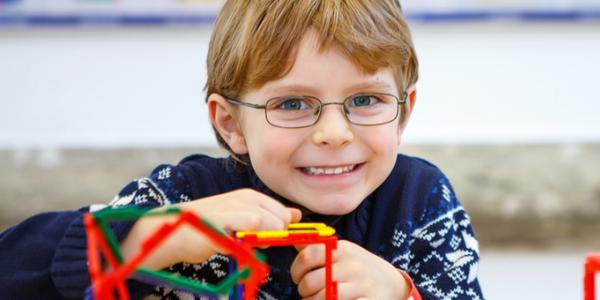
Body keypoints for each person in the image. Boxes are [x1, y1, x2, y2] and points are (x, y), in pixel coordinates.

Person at [0, 1, 484, 299]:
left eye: (365, 100)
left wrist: (400, 294)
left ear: (402, 111)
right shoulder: (186, 198)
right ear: (230, 123)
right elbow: (14, 270)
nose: (334, 133)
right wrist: (160, 236)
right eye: (293, 103)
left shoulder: (420, 200)